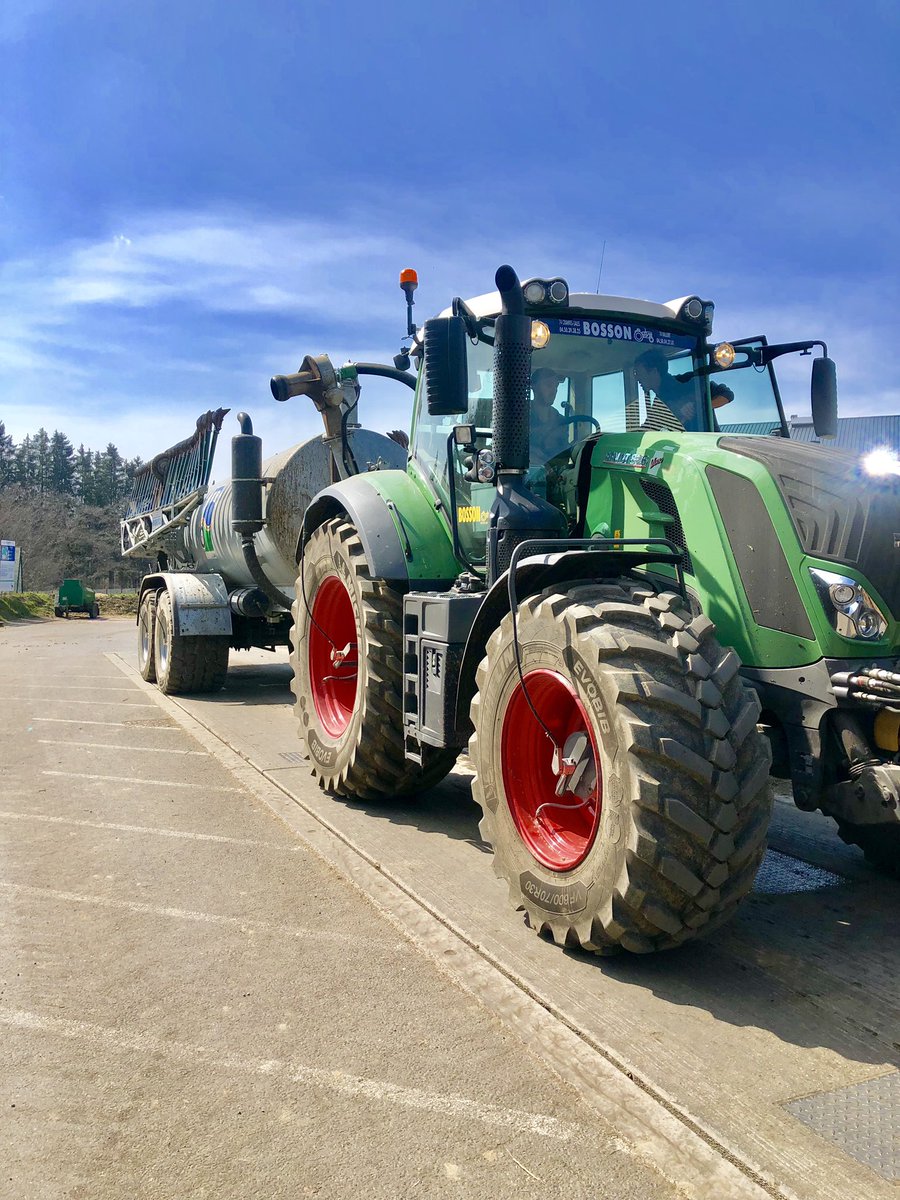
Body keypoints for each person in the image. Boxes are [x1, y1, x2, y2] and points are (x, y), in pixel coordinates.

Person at [634, 349, 699, 432]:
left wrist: (695, 407)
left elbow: (720, 393)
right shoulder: (658, 400)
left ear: (654, 372)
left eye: (639, 373)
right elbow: (649, 426)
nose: (637, 378)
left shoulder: (685, 382)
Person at [529, 367, 569, 463]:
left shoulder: (561, 421)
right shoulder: (520, 416)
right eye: (548, 385)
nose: (554, 391)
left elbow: (564, 455)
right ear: (534, 386)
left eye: (556, 386)